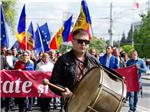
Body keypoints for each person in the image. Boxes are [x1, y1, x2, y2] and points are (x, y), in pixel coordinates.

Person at [49, 29, 100, 111]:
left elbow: (102, 80)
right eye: (80, 41)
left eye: (86, 42)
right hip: (72, 104)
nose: (83, 44)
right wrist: (63, 91)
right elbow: (53, 83)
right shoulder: (62, 60)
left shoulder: (94, 61)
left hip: (91, 104)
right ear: (72, 41)